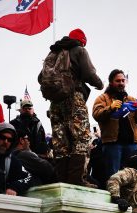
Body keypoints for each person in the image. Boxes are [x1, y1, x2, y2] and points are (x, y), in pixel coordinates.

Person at [40, 28, 103, 187]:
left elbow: (40, 77)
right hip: (74, 97)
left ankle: (62, 180)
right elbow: (88, 73)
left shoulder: (53, 53)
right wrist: (99, 84)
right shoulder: (79, 50)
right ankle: (76, 180)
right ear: (82, 41)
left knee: (60, 141)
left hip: (54, 102)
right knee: (81, 137)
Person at [92, 69, 137, 178]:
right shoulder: (102, 98)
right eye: (118, 81)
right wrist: (110, 108)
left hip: (131, 144)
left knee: (132, 175)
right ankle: (114, 195)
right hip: (112, 144)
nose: (121, 83)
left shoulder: (131, 99)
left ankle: (128, 195)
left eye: (123, 81)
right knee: (113, 175)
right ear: (111, 83)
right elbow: (96, 115)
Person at [0, 123, 34, 196]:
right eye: (2, 137)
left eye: (9, 139)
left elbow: (29, 177)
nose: (6, 142)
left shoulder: (11, 160)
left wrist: (14, 187)